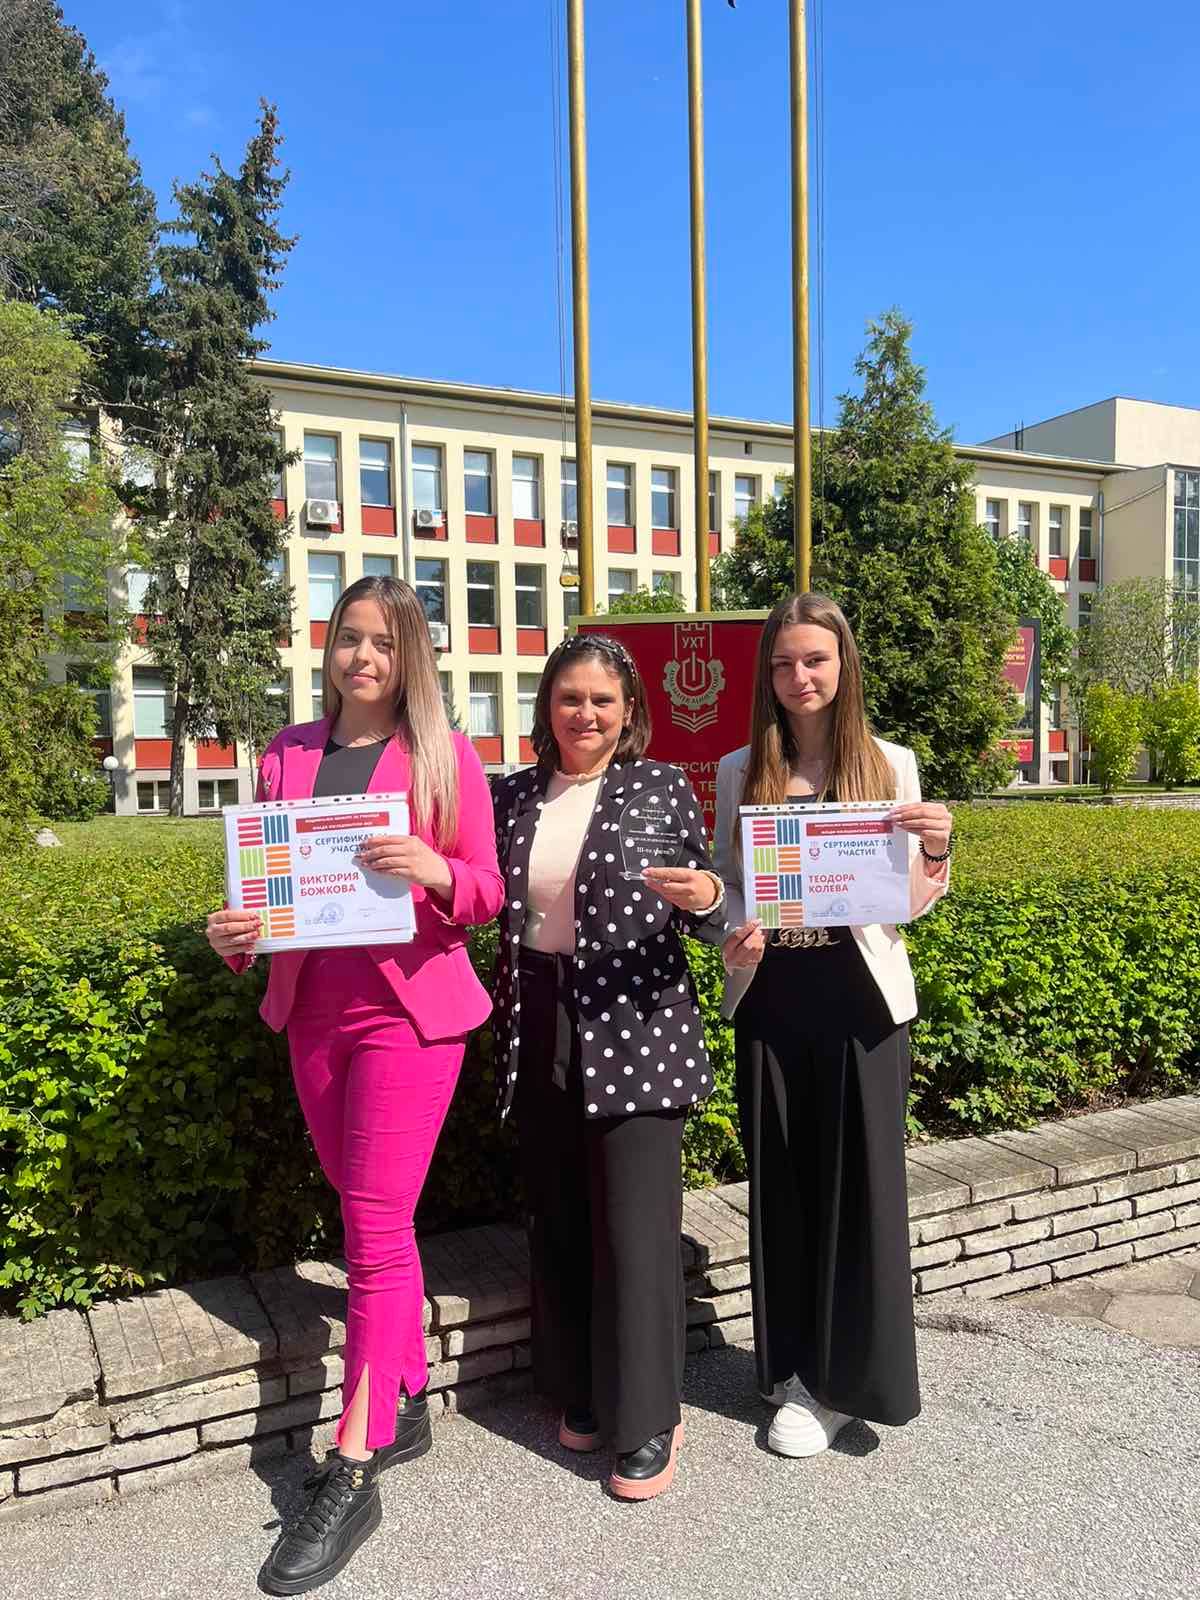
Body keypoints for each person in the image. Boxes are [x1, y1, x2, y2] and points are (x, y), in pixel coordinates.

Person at [206, 575, 503, 1595]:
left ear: (410, 654)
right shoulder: (286, 753)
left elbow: (486, 891)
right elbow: (261, 893)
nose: (363, 657)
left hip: (408, 1019)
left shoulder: (444, 754)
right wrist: (236, 934)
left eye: (383, 641)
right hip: (314, 1015)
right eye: (348, 638)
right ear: (328, 648)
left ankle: (355, 1459)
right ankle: (407, 1391)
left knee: (371, 1230)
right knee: (371, 1211)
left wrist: (432, 867)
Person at [713, 592, 952, 1460]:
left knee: (860, 1192)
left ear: (843, 664)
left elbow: (911, 900)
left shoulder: (891, 763)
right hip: (772, 995)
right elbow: (725, 882)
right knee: (782, 1184)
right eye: (783, 663)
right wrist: (728, 928)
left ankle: (845, 1386)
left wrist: (938, 847)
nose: (799, 676)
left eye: (814, 659)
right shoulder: (740, 769)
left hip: (860, 1000)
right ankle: (790, 1366)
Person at [490, 633, 727, 1501]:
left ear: (629, 712)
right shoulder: (512, 793)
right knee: (559, 1217)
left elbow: (710, 904)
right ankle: (582, 1388)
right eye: (569, 698)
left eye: (601, 700)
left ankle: (649, 1417)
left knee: (634, 1231)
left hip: (638, 1024)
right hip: (540, 1017)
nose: (584, 714)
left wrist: (708, 898)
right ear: (546, 708)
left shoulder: (658, 786)